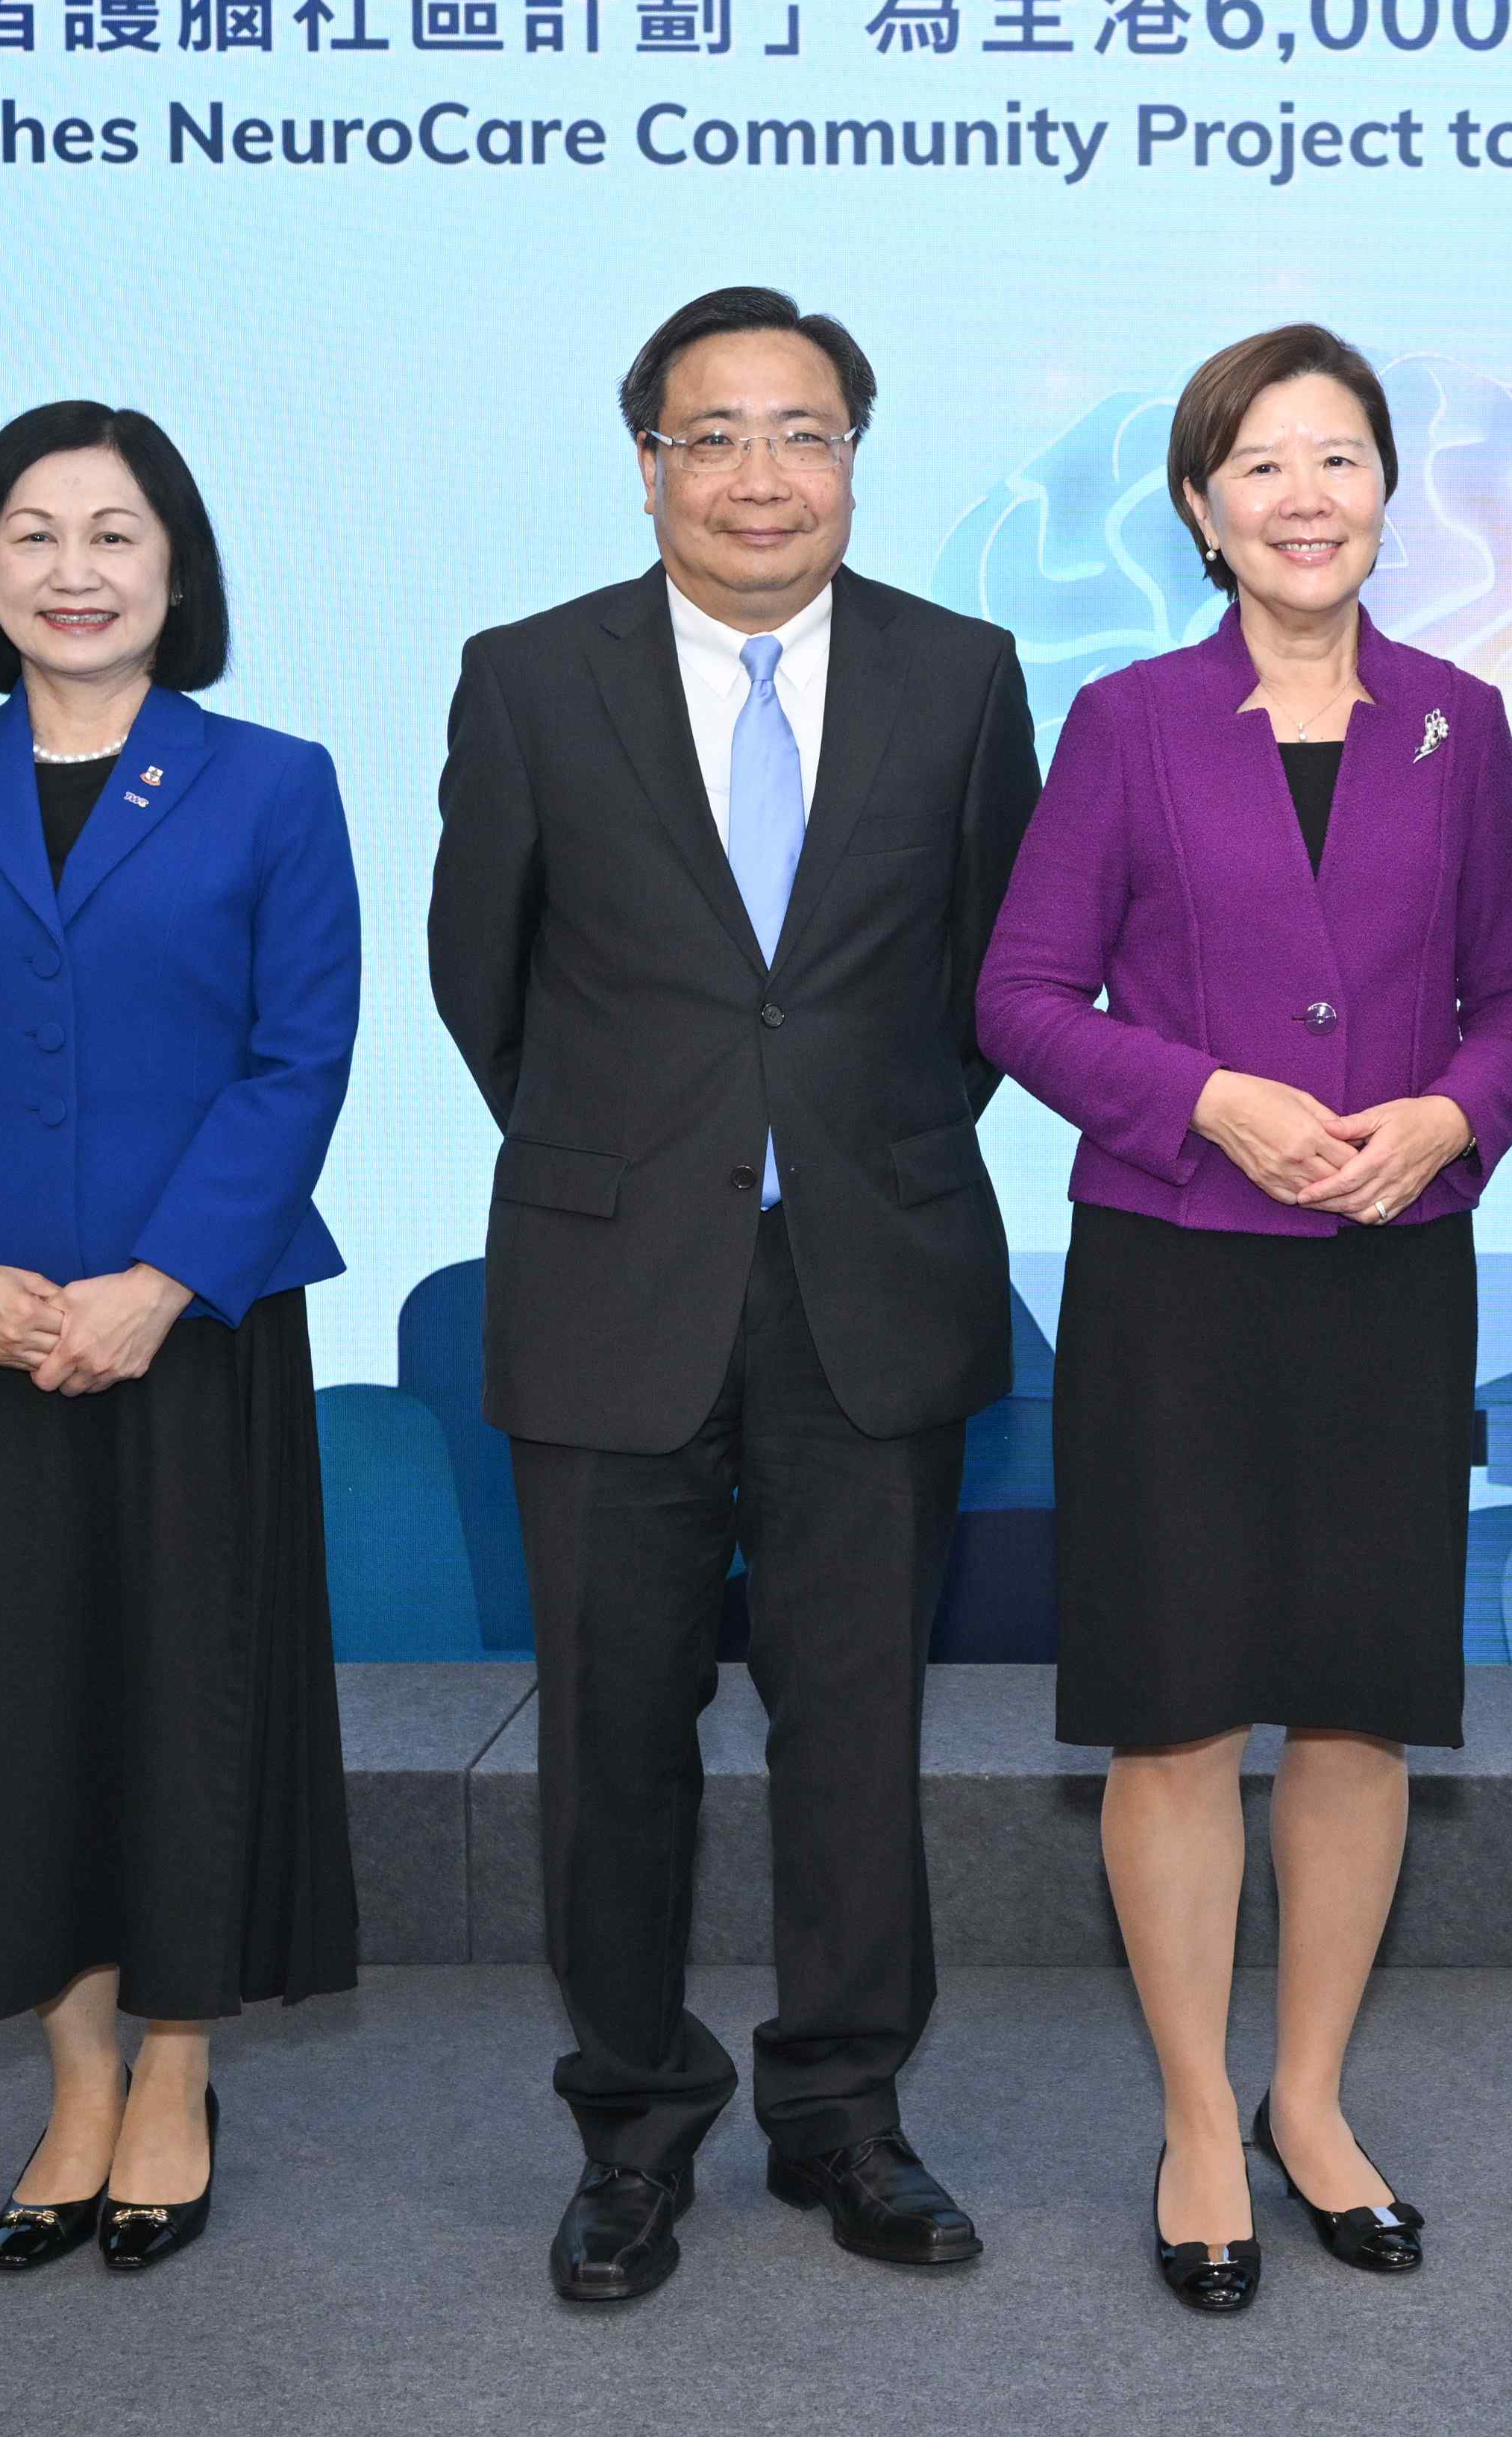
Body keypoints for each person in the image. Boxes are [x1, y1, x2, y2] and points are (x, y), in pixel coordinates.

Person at [430, 287, 1042, 2308]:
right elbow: (483, 979)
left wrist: (828, 1147)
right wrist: (656, 1160)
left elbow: (983, 980)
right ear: (649, 462)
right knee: (615, 1733)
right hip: (616, 1276)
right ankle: (628, 2122)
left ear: (857, 456)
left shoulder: (963, 676)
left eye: (804, 431)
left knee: (855, 1727)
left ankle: (845, 2113)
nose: (762, 474)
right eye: (715, 434)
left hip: (869, 1269)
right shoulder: (529, 679)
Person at [979, 324, 1512, 2314]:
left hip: (1390, 1268)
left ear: (1389, 491)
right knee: (1175, 1710)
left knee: (1354, 1702)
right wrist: (1203, 1091)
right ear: (1201, 508)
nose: (1306, 494)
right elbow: (1025, 997)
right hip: (1176, 1272)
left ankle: (1310, 2097)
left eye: (1341, 457)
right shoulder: (1129, 721)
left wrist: (1451, 1116)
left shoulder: (1460, 720)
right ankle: (1198, 2118)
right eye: (1263, 463)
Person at [0, 401, 360, 2277]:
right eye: (32, 535)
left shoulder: (273, 782)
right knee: (15, 1707)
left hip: (190, 1332)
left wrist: (167, 1278)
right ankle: (75, 2075)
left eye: (115, 534)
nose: (74, 570)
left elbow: (299, 1059)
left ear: (175, 570)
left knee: (187, 1707)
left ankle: (177, 2069)